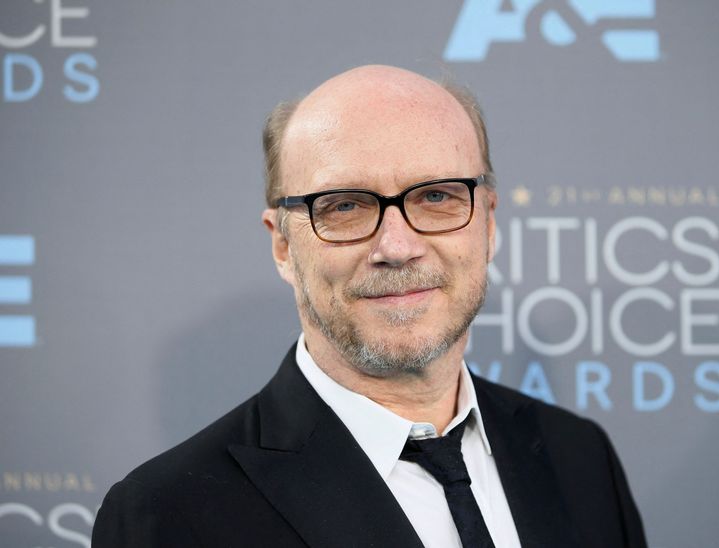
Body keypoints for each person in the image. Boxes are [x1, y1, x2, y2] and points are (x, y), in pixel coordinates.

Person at [92, 65, 647, 547]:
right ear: (282, 245)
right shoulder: (169, 513)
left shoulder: (580, 458)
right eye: (345, 206)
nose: (397, 248)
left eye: (436, 195)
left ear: (489, 223)